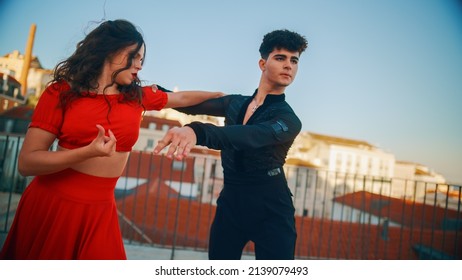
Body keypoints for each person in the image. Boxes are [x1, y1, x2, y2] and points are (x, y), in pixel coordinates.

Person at [0, 19, 223, 260]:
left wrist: (227, 99)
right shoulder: (60, 92)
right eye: (134, 56)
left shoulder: (136, 96)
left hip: (100, 209)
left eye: (141, 59)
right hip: (52, 204)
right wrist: (87, 151)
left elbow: (181, 98)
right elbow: (27, 163)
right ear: (111, 51)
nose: (139, 65)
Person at [154, 29, 308, 259]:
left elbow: (248, 136)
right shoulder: (236, 103)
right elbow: (187, 103)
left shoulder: (288, 120)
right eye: (280, 58)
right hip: (231, 203)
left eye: (294, 60)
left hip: (271, 207)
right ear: (262, 63)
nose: (289, 65)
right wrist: (147, 93)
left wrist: (196, 130)